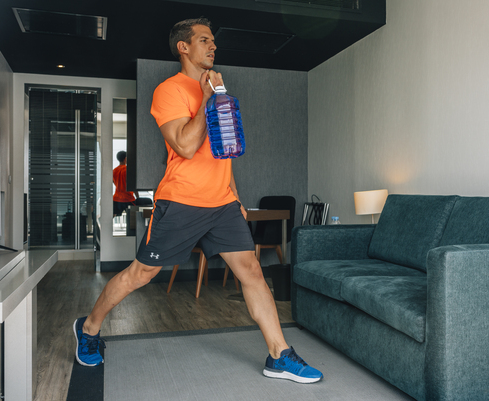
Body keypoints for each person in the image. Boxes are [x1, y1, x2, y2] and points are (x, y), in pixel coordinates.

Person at [73, 17, 323, 384]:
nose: (214, 46)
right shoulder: (169, 91)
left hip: (221, 203)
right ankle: (90, 328)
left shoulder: (219, 90)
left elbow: (224, 151)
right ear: (184, 47)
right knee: (142, 273)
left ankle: (279, 355)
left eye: (213, 41)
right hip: (181, 201)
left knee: (252, 271)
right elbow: (187, 146)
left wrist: (234, 197)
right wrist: (208, 99)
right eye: (205, 40)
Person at [112, 150, 137, 218]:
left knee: (112, 216)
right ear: (125, 159)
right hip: (128, 199)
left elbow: (114, 182)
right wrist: (138, 197)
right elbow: (133, 185)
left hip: (116, 198)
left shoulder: (114, 171)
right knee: (133, 219)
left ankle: (105, 228)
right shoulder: (128, 170)